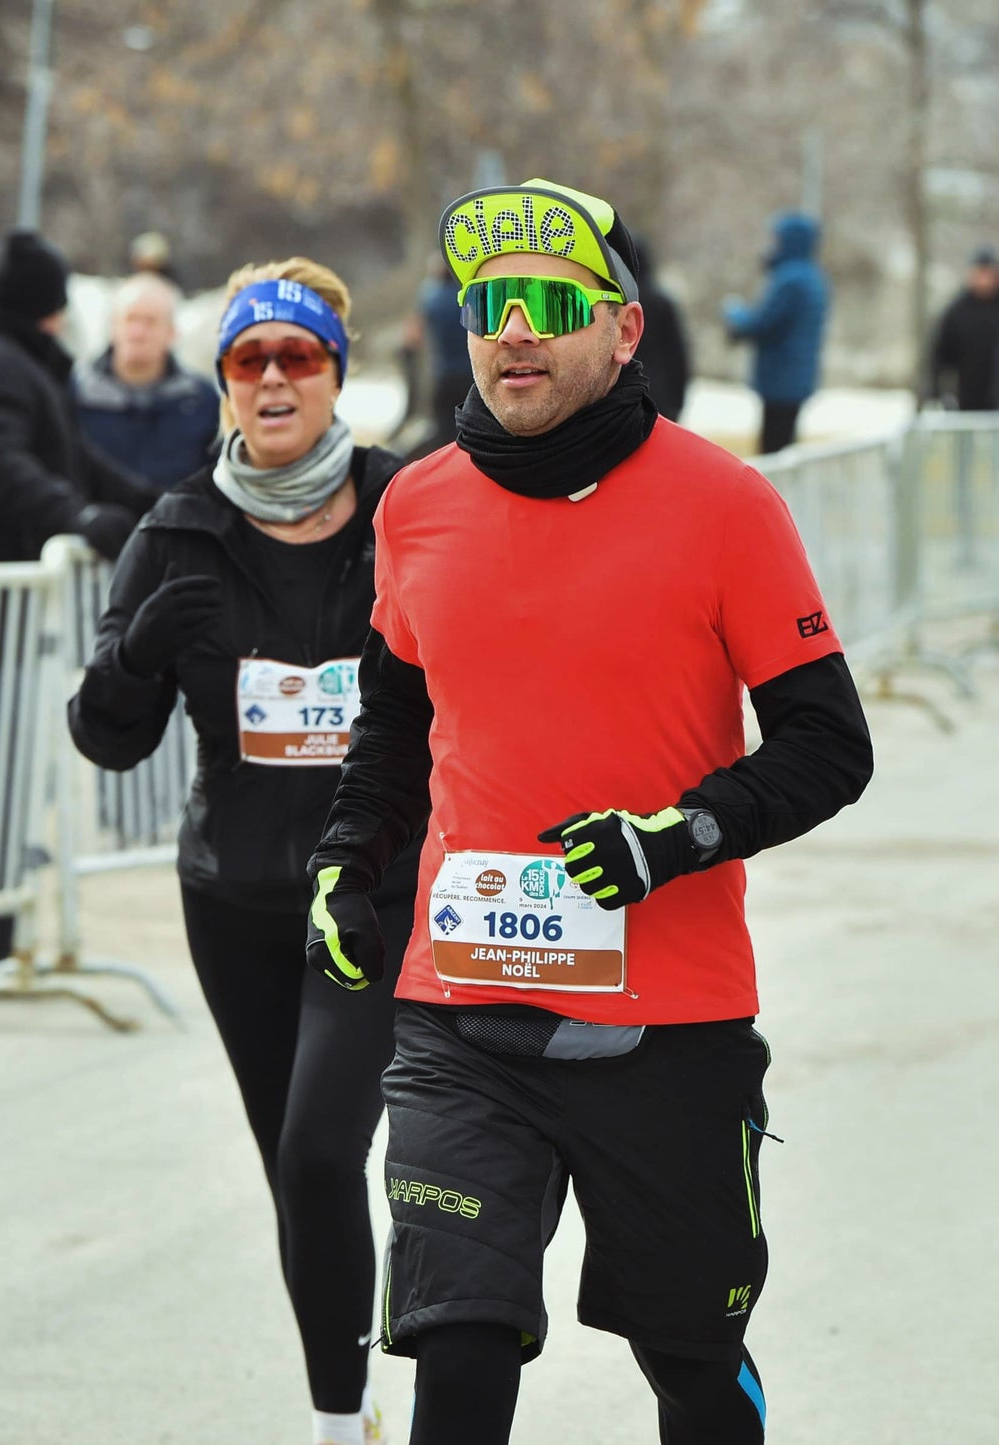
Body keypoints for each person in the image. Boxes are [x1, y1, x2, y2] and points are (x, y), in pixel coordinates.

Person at [305, 179, 873, 1445]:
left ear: (620, 330)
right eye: (489, 304)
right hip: (459, 1015)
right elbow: (395, 719)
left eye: (549, 304)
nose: (512, 329)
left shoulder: (725, 506)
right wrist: (347, 856)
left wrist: (676, 836)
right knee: (456, 1354)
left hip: (667, 1027)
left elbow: (830, 745)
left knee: (690, 1366)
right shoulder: (418, 506)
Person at [69, 258, 418, 1445]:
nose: (272, 379)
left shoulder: (408, 507)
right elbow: (104, 740)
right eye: (247, 360)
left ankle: (345, 1412)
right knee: (295, 1164)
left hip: (373, 887)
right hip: (235, 896)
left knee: (326, 1145)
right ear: (221, 383)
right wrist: (130, 659)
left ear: (335, 374)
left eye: (297, 357)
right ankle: (346, 1407)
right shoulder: (177, 534)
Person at [0, 229, 154, 999]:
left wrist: (165, 509)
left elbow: (77, 463)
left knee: (4, 773)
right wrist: (74, 518)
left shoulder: (15, 365)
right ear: (49, 308)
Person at [72, 273, 220, 494]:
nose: (137, 333)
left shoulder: (201, 401)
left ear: (172, 332)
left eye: (150, 322)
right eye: (130, 319)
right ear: (113, 326)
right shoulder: (75, 394)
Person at [723, 211, 828, 454]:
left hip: (781, 379)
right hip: (795, 378)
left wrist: (735, 314)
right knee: (784, 445)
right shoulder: (813, 277)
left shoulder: (791, 279)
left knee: (774, 450)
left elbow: (765, 323)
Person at [400, 253, 473, 460]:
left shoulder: (431, 297)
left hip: (443, 376)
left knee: (444, 437)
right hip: (471, 377)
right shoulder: (467, 296)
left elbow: (413, 336)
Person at [929, 246, 999, 411]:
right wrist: (939, 393)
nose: (984, 279)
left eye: (988, 273)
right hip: (966, 401)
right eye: (980, 273)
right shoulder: (956, 312)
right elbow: (939, 355)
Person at [631, 236, 690, 422]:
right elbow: (677, 354)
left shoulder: (615, 304)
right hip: (659, 392)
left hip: (622, 392)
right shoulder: (662, 302)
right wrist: (678, 400)